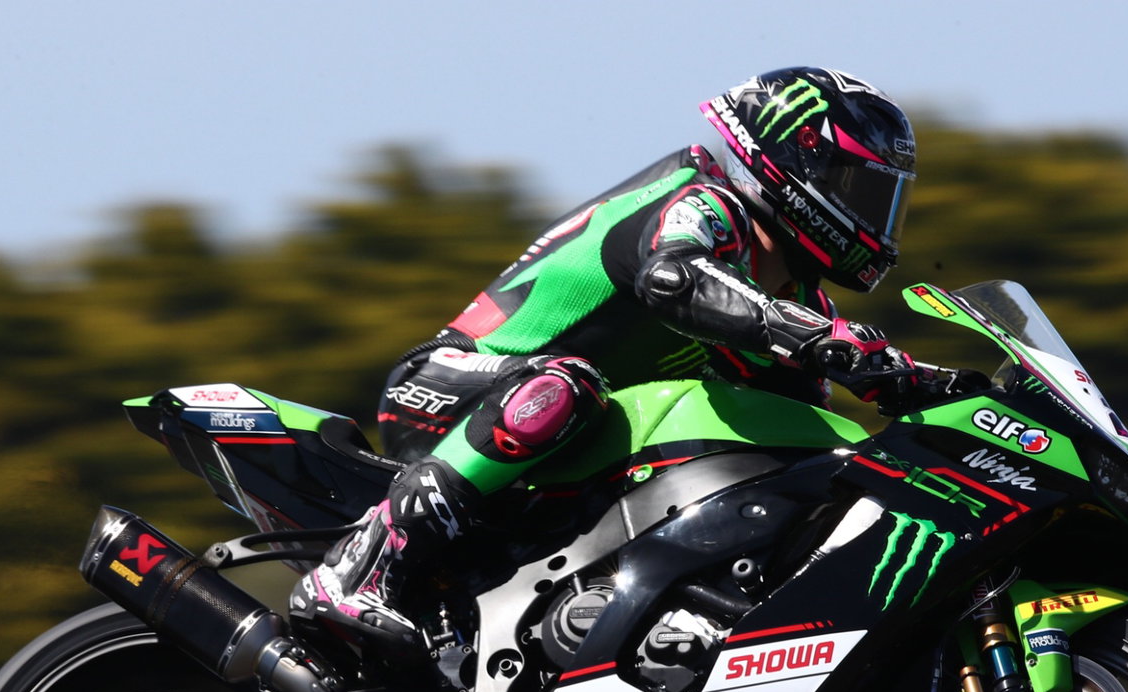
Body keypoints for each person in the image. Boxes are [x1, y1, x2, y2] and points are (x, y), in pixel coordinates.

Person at [291, 66, 965, 660]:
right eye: (858, 187)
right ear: (793, 162)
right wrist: (831, 341)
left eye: (887, 198)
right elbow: (673, 280)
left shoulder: (791, 296)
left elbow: (801, 435)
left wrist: (925, 392)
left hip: (559, 455)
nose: (877, 216)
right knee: (568, 386)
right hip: (446, 391)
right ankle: (359, 567)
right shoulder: (702, 202)